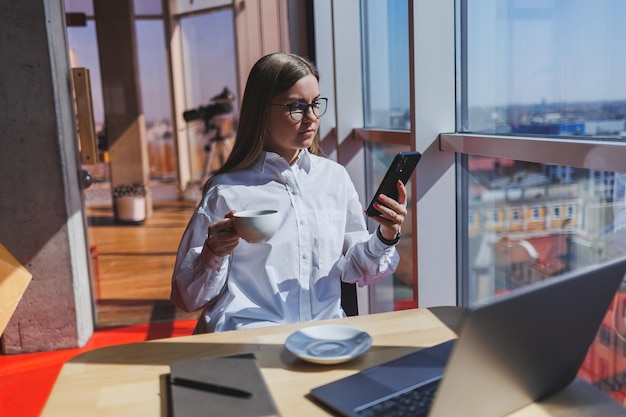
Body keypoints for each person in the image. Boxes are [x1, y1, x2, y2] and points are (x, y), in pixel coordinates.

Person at [170, 52, 407, 333]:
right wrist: (213, 253)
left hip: (323, 338)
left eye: (316, 104)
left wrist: (386, 236)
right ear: (262, 112)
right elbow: (188, 298)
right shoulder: (226, 190)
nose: (311, 118)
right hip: (250, 339)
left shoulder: (334, 178)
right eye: (296, 107)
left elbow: (355, 266)